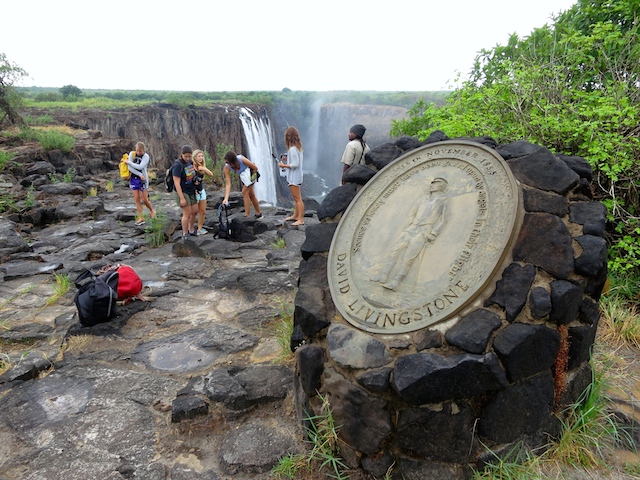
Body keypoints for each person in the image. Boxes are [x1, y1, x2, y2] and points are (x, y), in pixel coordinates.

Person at [372, 177, 451, 290]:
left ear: (441, 186)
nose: (432, 185)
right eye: (432, 183)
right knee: (394, 250)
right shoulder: (423, 198)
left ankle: (396, 282)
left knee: (409, 257)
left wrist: (434, 233)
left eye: (435, 183)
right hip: (412, 228)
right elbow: (412, 212)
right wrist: (410, 223)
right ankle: (383, 275)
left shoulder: (444, 200)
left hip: (424, 230)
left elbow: (444, 219)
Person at [222, 151, 263, 219]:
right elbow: (228, 184)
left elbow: (255, 168)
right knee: (251, 195)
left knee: (244, 192)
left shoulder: (241, 159)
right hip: (244, 178)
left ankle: (247, 215)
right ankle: (258, 213)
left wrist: (251, 180)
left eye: (228, 162)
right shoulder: (227, 168)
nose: (228, 164)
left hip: (251, 174)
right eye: (226, 163)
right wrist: (226, 198)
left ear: (233, 161)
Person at [279, 126, 305, 225]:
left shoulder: (292, 149)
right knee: (296, 198)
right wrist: (288, 160)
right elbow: (295, 161)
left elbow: (295, 164)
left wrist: (283, 165)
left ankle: (300, 219)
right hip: (297, 176)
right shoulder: (298, 148)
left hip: (294, 177)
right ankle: (295, 215)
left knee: (298, 198)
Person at [125, 142, 155, 226]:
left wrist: (129, 162)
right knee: (137, 198)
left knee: (144, 199)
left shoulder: (146, 156)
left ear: (144, 150)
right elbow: (130, 168)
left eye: (140, 151)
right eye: (137, 151)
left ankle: (152, 210)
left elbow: (140, 167)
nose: (138, 153)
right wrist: (139, 174)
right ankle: (141, 217)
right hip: (134, 179)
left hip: (143, 180)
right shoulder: (132, 154)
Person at [172, 145, 199, 240]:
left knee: (195, 211)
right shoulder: (177, 165)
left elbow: (192, 176)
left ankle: (191, 229)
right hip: (182, 191)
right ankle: (185, 233)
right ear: (181, 155)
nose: (187, 158)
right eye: (185, 156)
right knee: (187, 213)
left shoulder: (190, 163)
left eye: (189, 156)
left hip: (191, 189)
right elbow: (176, 183)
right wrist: (182, 198)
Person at [192, 149, 214, 235]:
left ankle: (199, 228)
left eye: (201, 156)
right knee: (193, 212)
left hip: (201, 190)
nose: (200, 158)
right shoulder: (191, 167)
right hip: (194, 192)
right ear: (195, 157)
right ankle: (191, 228)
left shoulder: (201, 167)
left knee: (202, 211)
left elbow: (211, 174)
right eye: (199, 156)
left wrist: (203, 168)